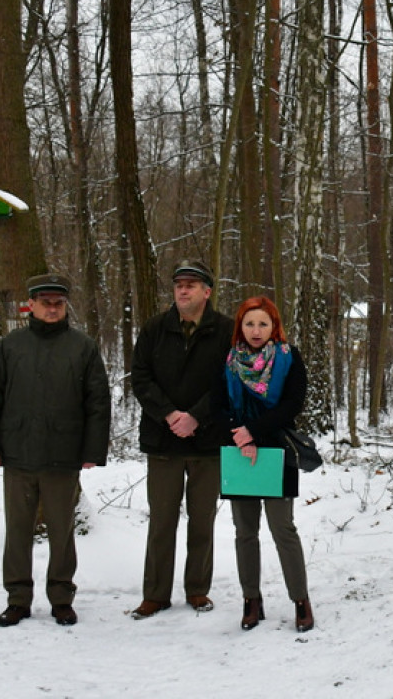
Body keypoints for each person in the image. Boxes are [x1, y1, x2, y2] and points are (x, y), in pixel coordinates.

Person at [0, 273, 111, 627]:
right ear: (31, 305)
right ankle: (18, 599)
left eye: (58, 303)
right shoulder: (10, 346)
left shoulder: (82, 347)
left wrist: (92, 450)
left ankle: (61, 598)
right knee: (17, 531)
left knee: (61, 532)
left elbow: (98, 402)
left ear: (65, 305)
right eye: (46, 302)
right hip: (17, 453)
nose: (52, 309)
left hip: (62, 455)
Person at [130, 260, 233, 619]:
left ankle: (197, 590)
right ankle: (155, 594)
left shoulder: (227, 331)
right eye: (178, 285)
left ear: (207, 291)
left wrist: (197, 417)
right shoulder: (155, 329)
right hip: (164, 440)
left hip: (207, 442)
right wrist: (171, 414)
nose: (183, 290)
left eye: (191, 284)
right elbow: (140, 377)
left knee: (202, 520)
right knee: (161, 521)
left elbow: (230, 381)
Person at [218, 296, 314, 632]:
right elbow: (218, 402)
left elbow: (293, 403)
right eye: (249, 323)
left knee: (282, 529)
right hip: (237, 451)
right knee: (245, 532)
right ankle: (251, 600)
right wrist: (238, 435)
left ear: (274, 326)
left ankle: (300, 600)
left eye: (263, 324)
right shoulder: (229, 360)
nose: (256, 331)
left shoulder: (288, 358)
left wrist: (253, 431)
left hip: (277, 450)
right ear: (240, 327)